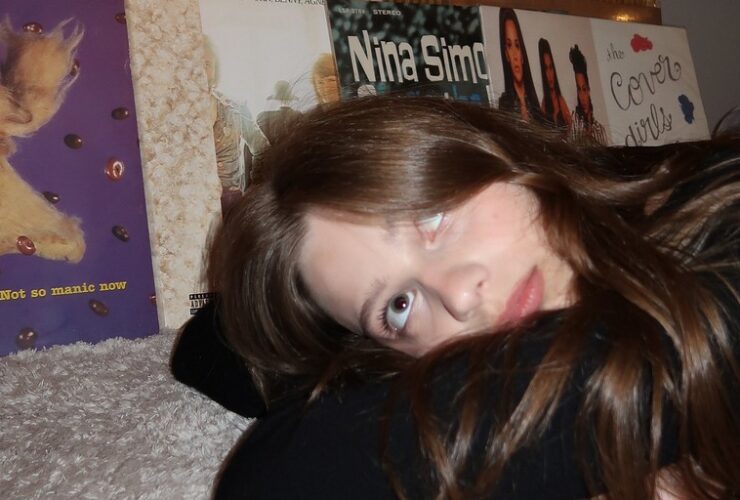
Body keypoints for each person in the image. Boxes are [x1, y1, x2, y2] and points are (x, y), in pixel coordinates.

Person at [172, 96, 740, 499]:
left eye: (433, 217)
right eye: (398, 305)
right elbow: (212, 348)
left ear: (486, 151)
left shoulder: (717, 208)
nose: (459, 294)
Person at [497, 8, 543, 123]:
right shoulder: (504, 105)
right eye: (509, 45)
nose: (515, 56)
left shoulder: (536, 105)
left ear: (522, 54)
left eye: (517, 46)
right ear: (506, 54)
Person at [569, 44, 607, 145]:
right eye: (579, 89)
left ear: (589, 90)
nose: (582, 96)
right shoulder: (574, 124)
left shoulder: (599, 129)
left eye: (584, 89)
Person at [538, 38, 571, 130]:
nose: (549, 74)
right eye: (546, 69)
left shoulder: (561, 101)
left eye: (551, 68)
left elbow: (572, 129)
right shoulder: (544, 106)